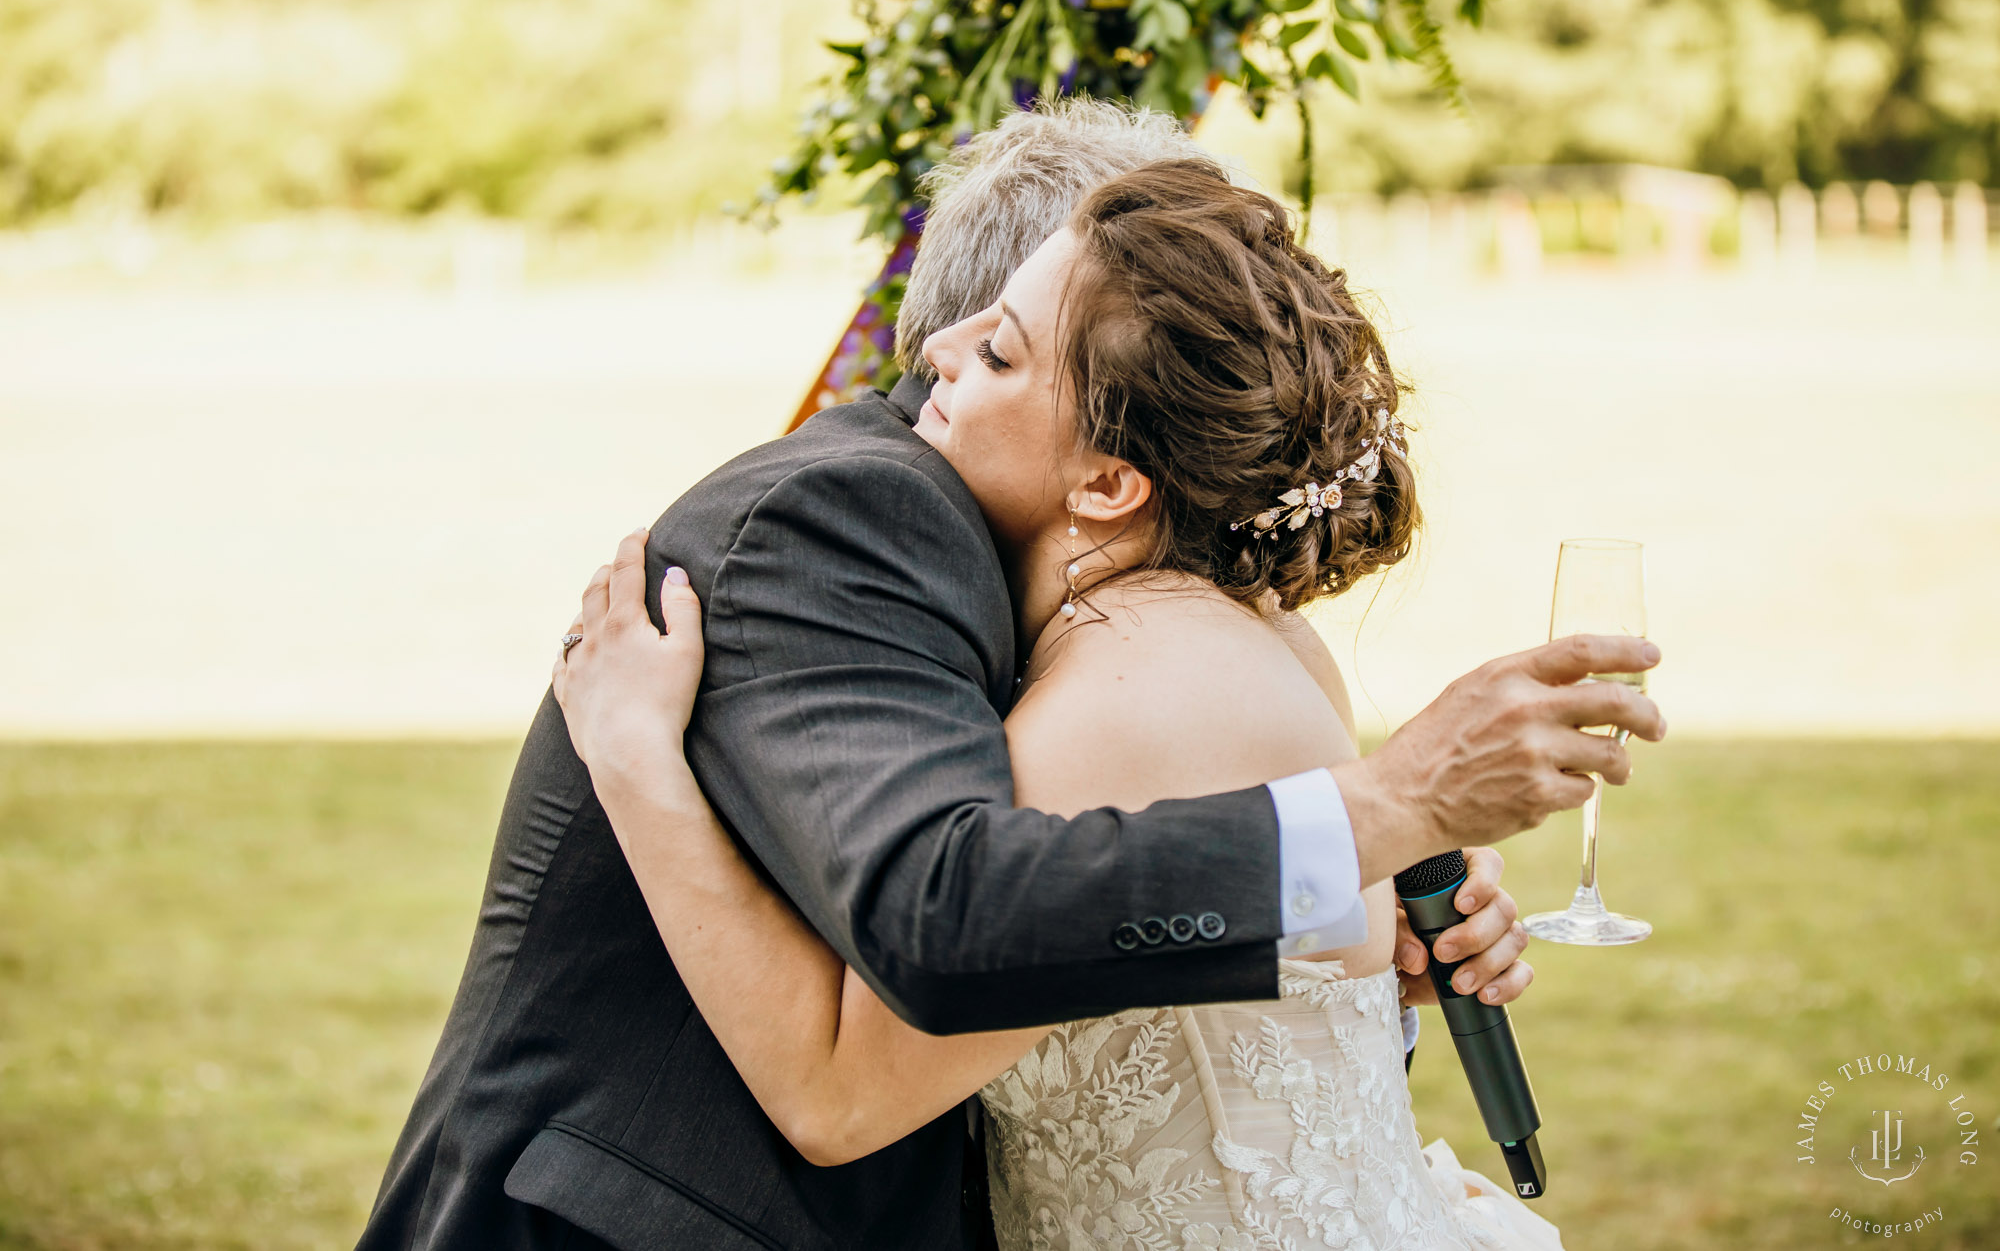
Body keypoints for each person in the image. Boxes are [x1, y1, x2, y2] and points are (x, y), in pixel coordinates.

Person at [359, 101, 1660, 1251]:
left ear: (1110, 476)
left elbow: (849, 1074)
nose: (931, 354)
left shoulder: (1137, 671)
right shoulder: (1215, 625)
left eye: (1000, 352)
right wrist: (1375, 914)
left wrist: (643, 769)